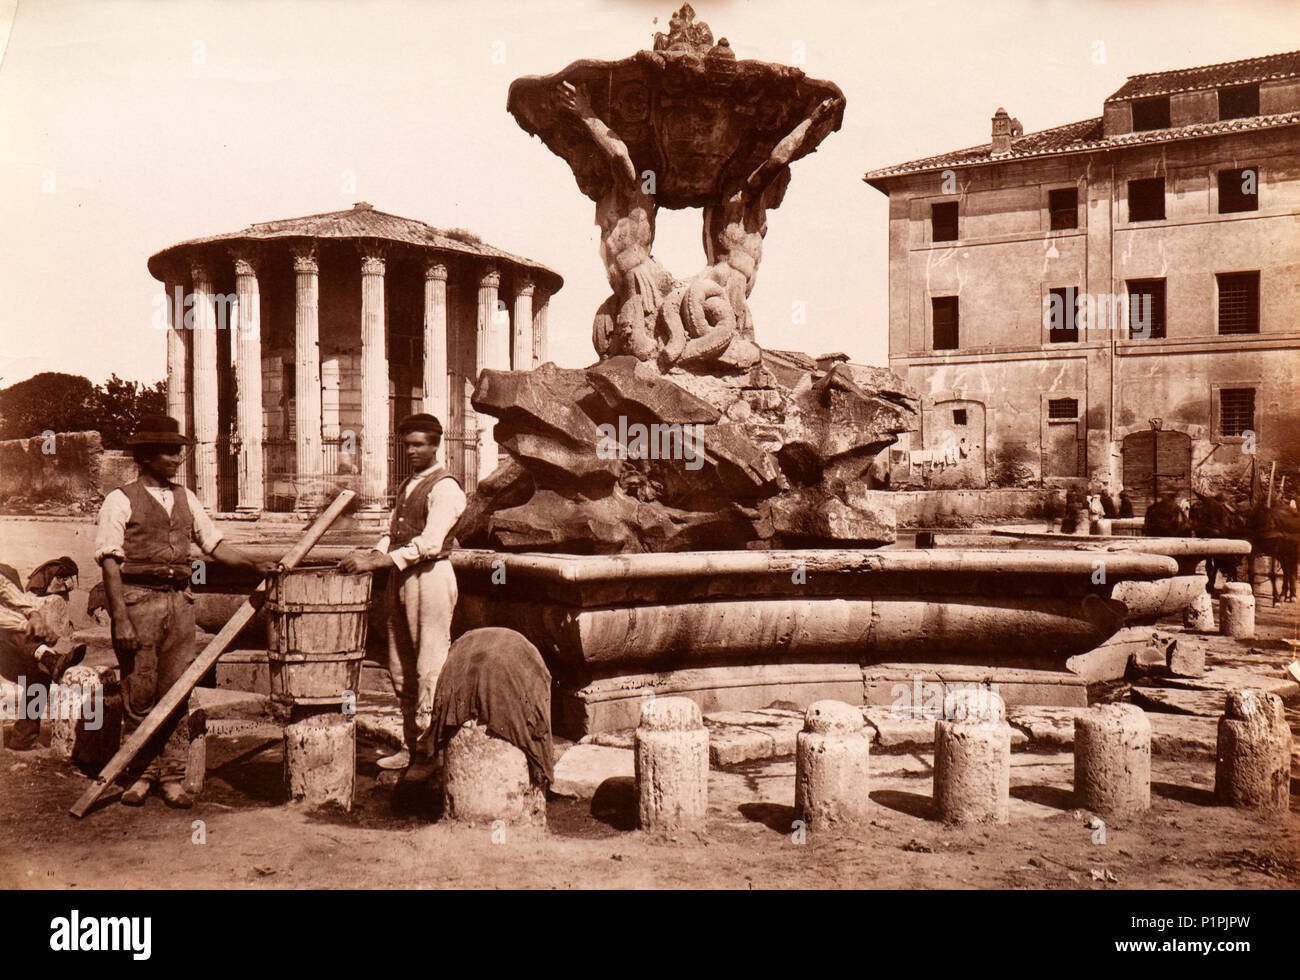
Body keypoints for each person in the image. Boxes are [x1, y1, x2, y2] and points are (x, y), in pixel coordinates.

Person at [95, 415, 272, 807]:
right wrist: (120, 617)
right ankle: (139, 773)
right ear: (146, 456)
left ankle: (171, 776)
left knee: (177, 691)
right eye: (170, 451)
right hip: (138, 601)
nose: (178, 458)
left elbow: (215, 545)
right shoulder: (120, 499)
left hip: (180, 602)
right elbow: (109, 562)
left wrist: (254, 565)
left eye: (179, 450)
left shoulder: (186, 498)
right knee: (139, 690)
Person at [341, 413, 466, 771]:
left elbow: (428, 544)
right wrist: (372, 554)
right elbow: (393, 532)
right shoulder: (408, 485)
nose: (411, 451)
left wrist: (378, 564)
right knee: (400, 666)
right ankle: (412, 747)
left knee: (430, 665)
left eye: (419, 444)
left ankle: (433, 751)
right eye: (407, 444)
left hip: (430, 577)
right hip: (401, 577)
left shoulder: (445, 487)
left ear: (435, 445)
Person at [0, 563, 85, 750]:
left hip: (8, 646)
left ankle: (24, 737)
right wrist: (26, 626)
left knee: (39, 669)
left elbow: (8, 592)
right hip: (7, 637)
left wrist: (35, 617)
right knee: (31, 649)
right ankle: (47, 656)